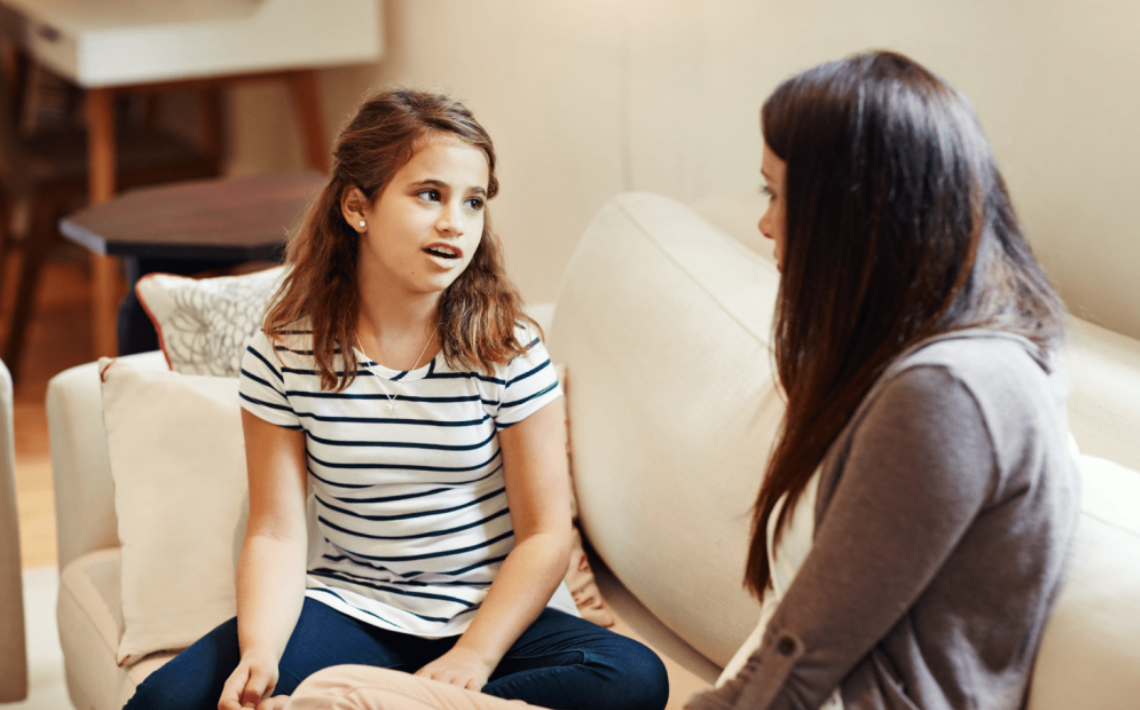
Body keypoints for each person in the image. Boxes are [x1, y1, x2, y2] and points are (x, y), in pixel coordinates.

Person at [123, 89, 667, 710]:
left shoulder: (508, 349)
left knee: (631, 677)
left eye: (474, 202)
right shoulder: (282, 352)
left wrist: (474, 657)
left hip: (491, 617)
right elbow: (275, 531)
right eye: (428, 194)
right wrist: (262, 653)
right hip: (352, 608)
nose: (453, 223)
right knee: (163, 703)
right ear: (358, 206)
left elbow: (544, 535)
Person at [687, 52, 1080, 710]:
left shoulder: (949, 395)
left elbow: (799, 668)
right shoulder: (936, 366)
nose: (764, 223)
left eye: (776, 194)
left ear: (855, 214)